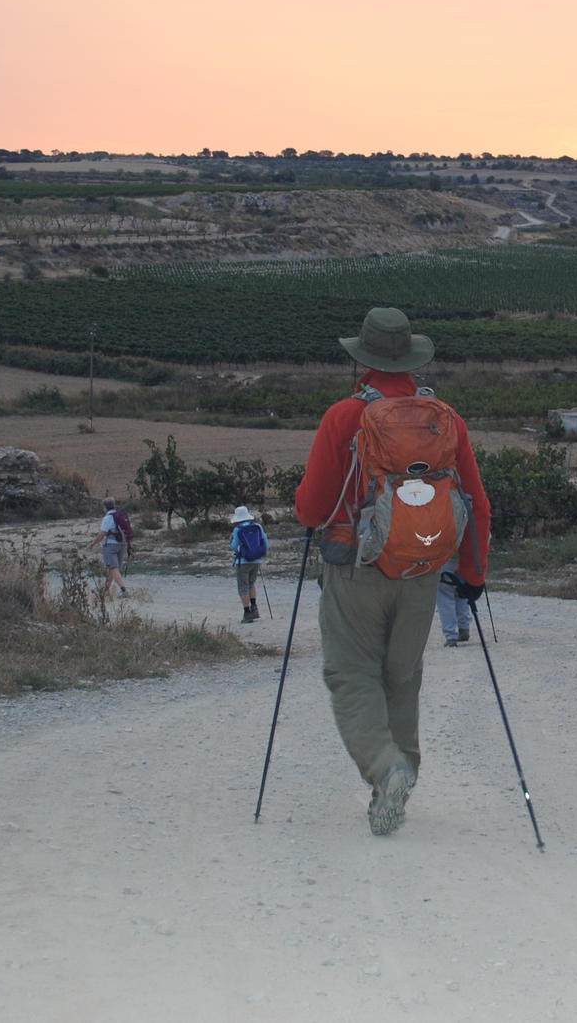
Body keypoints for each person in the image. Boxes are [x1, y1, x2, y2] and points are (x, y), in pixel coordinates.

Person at [295, 307, 492, 836]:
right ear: (411, 357)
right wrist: (472, 574)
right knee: (402, 676)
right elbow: (475, 502)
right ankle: (402, 776)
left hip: (355, 569)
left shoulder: (344, 417)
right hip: (422, 569)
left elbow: (312, 509)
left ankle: (387, 768)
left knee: (350, 672)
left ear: (361, 357)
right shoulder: (444, 418)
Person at [86, 496, 132, 600]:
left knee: (113, 568)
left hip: (111, 545)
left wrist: (92, 544)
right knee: (113, 570)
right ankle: (105, 592)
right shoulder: (120, 515)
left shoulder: (108, 518)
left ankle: (124, 590)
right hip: (122, 544)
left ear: (105, 507)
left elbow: (102, 534)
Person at [230, 504, 268, 623]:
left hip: (243, 561)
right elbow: (265, 542)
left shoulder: (237, 529)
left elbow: (234, 546)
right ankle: (254, 608)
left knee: (243, 587)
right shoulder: (257, 526)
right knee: (251, 584)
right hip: (256, 560)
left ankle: (247, 613)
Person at [436, 563, 472, 648]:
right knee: (461, 592)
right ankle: (464, 628)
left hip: (446, 558)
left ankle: (451, 636)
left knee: (445, 597)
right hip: (464, 558)